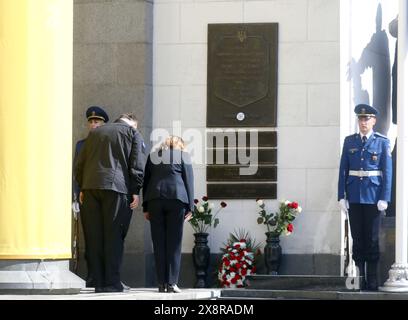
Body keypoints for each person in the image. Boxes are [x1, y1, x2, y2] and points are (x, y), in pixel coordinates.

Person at [74, 113, 145, 293]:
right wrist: (135, 190)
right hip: (117, 188)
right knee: (114, 235)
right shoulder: (132, 133)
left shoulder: (95, 132)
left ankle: (98, 282)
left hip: (90, 188)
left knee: (94, 236)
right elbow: (136, 164)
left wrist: (82, 187)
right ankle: (112, 282)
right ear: (132, 123)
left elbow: (79, 164)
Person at [338, 104, 392, 291]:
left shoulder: (382, 142)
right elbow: (343, 170)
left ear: (373, 121)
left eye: (367, 119)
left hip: (373, 198)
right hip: (354, 197)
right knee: (357, 238)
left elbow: (387, 172)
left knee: (372, 239)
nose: (363, 122)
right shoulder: (349, 141)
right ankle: (358, 278)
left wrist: (384, 197)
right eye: (361, 119)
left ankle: (372, 279)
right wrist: (341, 196)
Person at [142, 136, 194, 293]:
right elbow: (188, 181)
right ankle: (172, 283)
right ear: (180, 145)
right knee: (174, 243)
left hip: (154, 200)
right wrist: (191, 207)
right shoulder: (183, 156)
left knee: (158, 242)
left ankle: (161, 284)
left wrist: (145, 207)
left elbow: (146, 181)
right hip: (176, 199)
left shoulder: (153, 156)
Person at [72, 105, 109, 287]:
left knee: (107, 237)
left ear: (104, 125)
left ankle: (107, 276)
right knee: (91, 237)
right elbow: (76, 170)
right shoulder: (81, 145)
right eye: (91, 122)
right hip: (86, 195)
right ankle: (93, 275)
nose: (94, 125)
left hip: (107, 194)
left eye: (97, 122)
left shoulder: (109, 143)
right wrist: (76, 194)